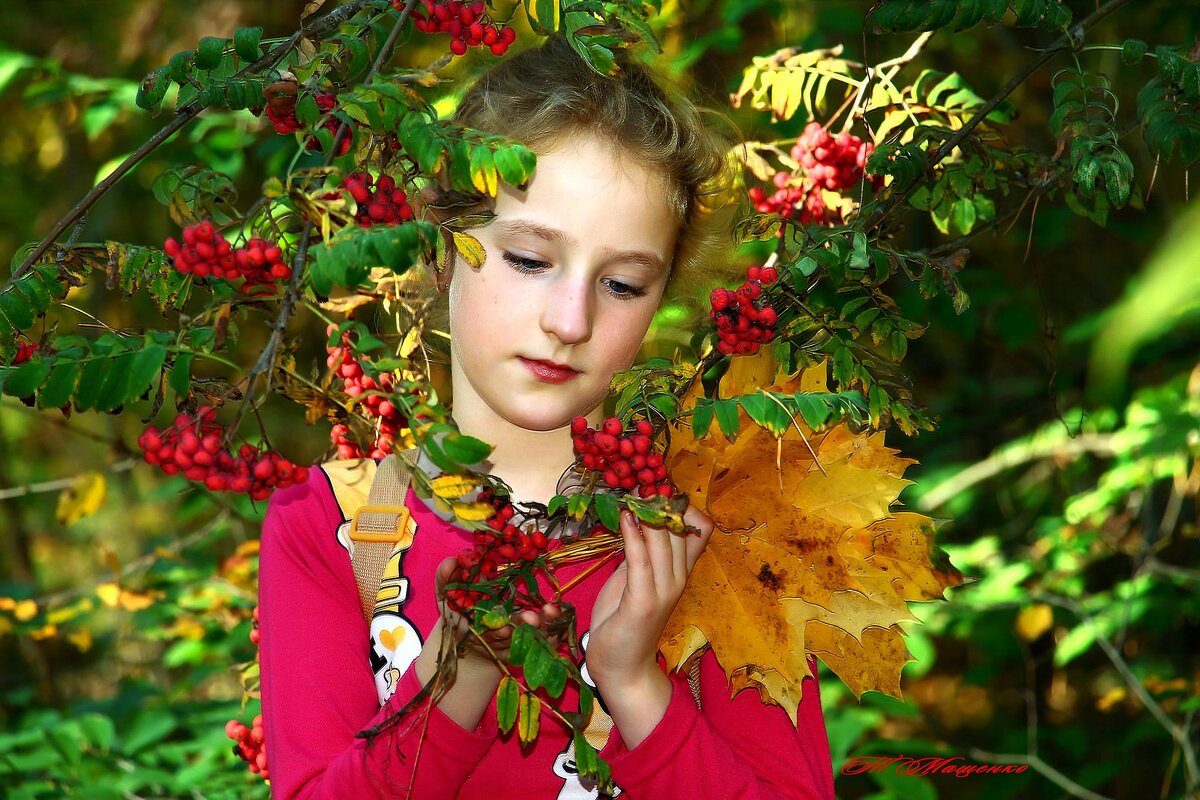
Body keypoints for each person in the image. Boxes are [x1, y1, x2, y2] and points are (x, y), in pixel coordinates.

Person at [258, 33, 835, 800]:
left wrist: (634, 685)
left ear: (660, 300)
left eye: (623, 284)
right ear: (438, 244)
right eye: (530, 261)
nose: (570, 320)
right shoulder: (326, 528)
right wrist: (455, 677)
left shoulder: (717, 530)